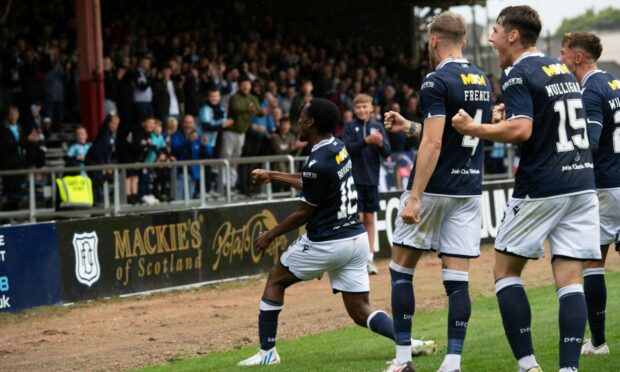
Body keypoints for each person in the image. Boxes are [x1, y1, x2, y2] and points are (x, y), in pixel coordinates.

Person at [451, 6, 600, 372]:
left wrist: (475, 128)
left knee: (505, 272)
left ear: (513, 35)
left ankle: (528, 365)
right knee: (569, 280)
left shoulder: (517, 72)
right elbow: (545, 117)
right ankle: (568, 369)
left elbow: (522, 131)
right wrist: (511, 117)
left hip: (543, 185)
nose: (491, 37)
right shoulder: (558, 67)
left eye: (496, 30)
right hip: (582, 183)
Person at [237, 98, 434, 367]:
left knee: (275, 279)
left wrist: (271, 234)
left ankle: (267, 352)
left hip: (327, 242)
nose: (297, 121)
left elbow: (304, 212)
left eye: (302, 117)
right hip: (355, 240)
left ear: (311, 122)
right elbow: (312, 181)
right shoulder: (337, 146)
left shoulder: (317, 161)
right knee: (358, 308)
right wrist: (273, 175)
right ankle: (406, 343)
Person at [382, 12, 492, 372]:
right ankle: (452, 362)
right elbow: (456, 134)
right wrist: (409, 127)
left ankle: (402, 361)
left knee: (401, 270)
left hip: (433, 189)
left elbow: (433, 143)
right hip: (468, 190)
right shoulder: (481, 79)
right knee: (457, 281)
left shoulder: (435, 80)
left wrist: (414, 197)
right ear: (462, 39)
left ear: (433, 41)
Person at [559, 31, 620, 356]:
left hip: (607, 186)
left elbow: (591, 142)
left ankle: (597, 342)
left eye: (563, 53)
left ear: (578, 57)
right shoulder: (614, 81)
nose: (560, 59)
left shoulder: (591, 90)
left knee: (593, 263)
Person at [342, 93, 391, 275]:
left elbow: (387, 153)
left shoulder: (377, 127)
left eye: (365, 107)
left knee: (369, 219)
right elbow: (345, 149)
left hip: (372, 180)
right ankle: (356, 260)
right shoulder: (349, 126)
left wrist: (379, 144)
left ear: (371, 108)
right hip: (353, 181)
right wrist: (365, 141)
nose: (362, 110)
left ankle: (369, 258)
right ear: (354, 110)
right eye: (358, 107)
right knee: (358, 220)